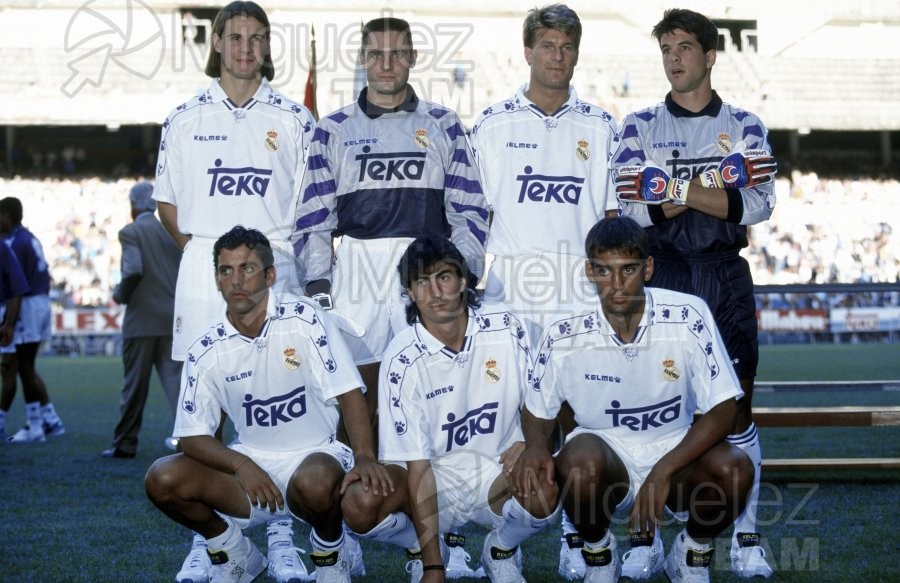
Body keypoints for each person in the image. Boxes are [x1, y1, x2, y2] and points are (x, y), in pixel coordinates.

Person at [294, 17, 489, 576]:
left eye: (397, 53)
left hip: (423, 271)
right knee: (350, 409)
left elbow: (472, 210)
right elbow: (313, 220)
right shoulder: (331, 129)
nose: (386, 64)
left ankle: (430, 539)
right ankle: (332, 542)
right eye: (375, 54)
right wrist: (319, 289)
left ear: (411, 58)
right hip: (355, 274)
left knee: (430, 406)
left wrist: (461, 274)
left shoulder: (445, 125)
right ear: (362, 58)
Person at [152, 2, 318, 580]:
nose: (246, 47)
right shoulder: (183, 116)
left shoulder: (296, 118)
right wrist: (211, 258)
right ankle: (216, 539)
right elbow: (168, 205)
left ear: (268, 46)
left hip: (275, 267)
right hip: (207, 269)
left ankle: (281, 534)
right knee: (207, 408)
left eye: (257, 38)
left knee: (279, 397)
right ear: (218, 43)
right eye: (236, 37)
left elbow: (309, 208)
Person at [611, 8, 777, 579]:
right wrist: (716, 182)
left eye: (684, 47)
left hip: (724, 275)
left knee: (736, 408)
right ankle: (645, 539)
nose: (674, 58)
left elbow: (754, 205)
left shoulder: (746, 123)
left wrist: (672, 186)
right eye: (666, 49)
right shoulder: (636, 126)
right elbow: (636, 208)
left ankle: (747, 536)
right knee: (657, 406)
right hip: (664, 276)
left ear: (709, 56)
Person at [513, 216, 755, 583]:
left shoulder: (688, 315)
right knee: (577, 464)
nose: (617, 284)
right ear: (589, 272)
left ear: (648, 268)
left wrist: (663, 469)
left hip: (675, 448)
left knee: (736, 468)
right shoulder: (563, 331)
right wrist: (534, 445)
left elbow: (724, 409)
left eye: (628, 269)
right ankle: (599, 554)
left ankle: (691, 553)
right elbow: (537, 410)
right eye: (604, 271)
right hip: (606, 455)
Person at [144, 226, 392, 583]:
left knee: (318, 481)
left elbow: (350, 392)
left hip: (316, 457)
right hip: (251, 466)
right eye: (226, 270)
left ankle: (329, 551)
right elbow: (191, 437)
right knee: (162, 478)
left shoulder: (306, 319)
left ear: (270, 275)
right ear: (216, 279)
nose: (236, 280)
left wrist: (365, 457)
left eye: (247, 268)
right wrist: (241, 463)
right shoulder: (205, 348)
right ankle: (233, 550)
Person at [341, 236, 558, 583]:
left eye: (443, 276)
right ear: (409, 293)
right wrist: (433, 567)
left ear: (463, 281)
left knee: (543, 484)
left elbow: (541, 402)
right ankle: (424, 546)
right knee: (359, 502)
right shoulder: (401, 358)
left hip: (497, 469)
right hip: (433, 478)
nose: (435, 292)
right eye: (421, 282)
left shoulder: (506, 326)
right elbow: (418, 468)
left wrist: (531, 443)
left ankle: (500, 548)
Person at [471, 3, 619, 344]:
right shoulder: (492, 123)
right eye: (548, 46)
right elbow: (477, 213)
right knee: (508, 390)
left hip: (580, 279)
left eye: (567, 48)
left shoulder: (602, 125)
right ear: (528, 53)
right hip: (510, 276)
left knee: (576, 392)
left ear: (577, 56)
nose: (558, 56)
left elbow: (613, 215)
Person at [101, 182, 182, 459]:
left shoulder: (130, 232)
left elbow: (133, 269)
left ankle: (125, 443)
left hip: (142, 320)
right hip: (172, 319)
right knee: (176, 385)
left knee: (135, 385)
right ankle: (187, 439)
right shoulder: (172, 233)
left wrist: (120, 294)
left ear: (133, 206)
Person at [0, 197, 65, 444]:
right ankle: (48, 419)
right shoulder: (29, 238)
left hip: (26, 303)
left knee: (22, 366)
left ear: (6, 215)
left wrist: (8, 321)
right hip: (40, 300)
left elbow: (15, 285)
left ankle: (35, 425)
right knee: (26, 365)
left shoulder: (14, 243)